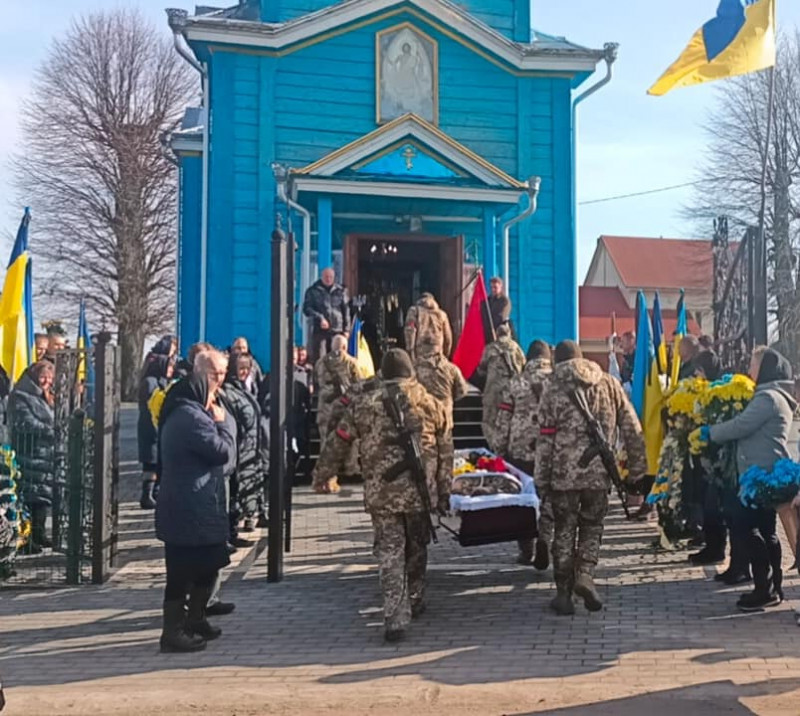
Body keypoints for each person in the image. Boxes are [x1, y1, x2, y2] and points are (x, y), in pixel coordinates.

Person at [312, 349, 453, 642]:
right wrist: (443, 491)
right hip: (420, 492)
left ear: (383, 374)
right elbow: (445, 451)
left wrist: (323, 474)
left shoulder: (364, 404)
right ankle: (414, 597)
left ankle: (395, 616)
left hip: (383, 494)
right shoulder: (430, 403)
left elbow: (338, 441)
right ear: (410, 372)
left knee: (390, 552)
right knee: (417, 547)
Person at [535, 341, 646, 615]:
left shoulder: (552, 389)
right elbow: (632, 429)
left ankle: (563, 593)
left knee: (563, 529)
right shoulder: (609, 384)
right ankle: (585, 573)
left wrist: (541, 480)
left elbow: (545, 440)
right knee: (592, 526)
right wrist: (637, 474)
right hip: (599, 474)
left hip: (562, 477)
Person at [155, 349, 236, 653]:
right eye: (215, 375)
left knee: (209, 564)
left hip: (199, 505)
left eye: (223, 374)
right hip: (187, 508)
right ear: (200, 374)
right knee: (180, 573)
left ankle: (196, 619)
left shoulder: (194, 407)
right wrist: (223, 423)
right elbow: (220, 451)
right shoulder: (189, 415)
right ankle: (172, 631)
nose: (220, 381)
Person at [704, 347, 796, 612]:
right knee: (765, 531)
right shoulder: (774, 395)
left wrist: (710, 432)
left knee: (745, 527)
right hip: (765, 473)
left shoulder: (767, 397)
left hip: (759, 477)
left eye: (753, 365)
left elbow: (741, 425)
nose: (749, 370)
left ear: (765, 368)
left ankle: (765, 588)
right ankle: (770, 587)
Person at [495, 340, 553, 569]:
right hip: (549, 451)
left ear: (528, 359)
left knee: (523, 500)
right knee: (548, 499)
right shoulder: (557, 382)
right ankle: (545, 540)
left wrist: (499, 451)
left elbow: (503, 421)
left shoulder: (516, 383)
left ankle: (526, 549)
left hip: (520, 452)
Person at [8, 361, 56, 553]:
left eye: (50, 379)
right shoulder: (21, 395)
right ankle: (25, 539)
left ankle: (39, 534)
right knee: (28, 496)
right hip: (28, 451)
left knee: (41, 495)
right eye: (44, 377)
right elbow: (25, 422)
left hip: (43, 453)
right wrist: (50, 430)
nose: (47, 382)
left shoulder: (44, 395)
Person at [222, 352, 264, 537]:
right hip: (241, 448)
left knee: (247, 486)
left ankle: (242, 521)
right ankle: (231, 532)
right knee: (236, 491)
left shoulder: (245, 389)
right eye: (241, 368)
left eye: (248, 368)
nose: (245, 372)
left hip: (251, 447)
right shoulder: (229, 392)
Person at [315, 334, 361, 492]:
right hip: (344, 408)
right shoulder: (351, 363)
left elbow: (317, 382)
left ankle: (325, 480)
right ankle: (351, 470)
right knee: (347, 441)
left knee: (326, 444)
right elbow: (358, 385)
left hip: (325, 409)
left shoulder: (321, 363)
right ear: (345, 347)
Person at [474, 325, 525, 453]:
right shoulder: (517, 348)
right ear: (509, 334)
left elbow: (481, 369)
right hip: (513, 390)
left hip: (493, 391)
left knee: (489, 421)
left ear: (497, 334)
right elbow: (524, 366)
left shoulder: (490, 348)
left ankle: (493, 449)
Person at [138, 355, 174, 510]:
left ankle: (154, 493)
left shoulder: (162, 381)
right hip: (150, 427)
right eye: (169, 367)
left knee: (157, 462)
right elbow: (152, 406)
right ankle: (147, 495)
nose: (171, 370)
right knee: (150, 463)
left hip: (158, 427)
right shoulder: (150, 382)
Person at [413, 348, 468, 434]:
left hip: (423, 421)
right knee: (446, 444)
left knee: (425, 445)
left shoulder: (414, 369)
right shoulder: (452, 369)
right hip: (445, 419)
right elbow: (462, 392)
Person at [303, 267, 350, 364]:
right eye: (326, 277)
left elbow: (346, 311)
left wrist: (346, 329)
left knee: (338, 359)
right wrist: (320, 318)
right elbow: (307, 309)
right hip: (320, 332)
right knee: (320, 359)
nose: (328, 279)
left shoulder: (340, 291)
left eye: (331, 277)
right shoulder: (313, 291)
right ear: (322, 277)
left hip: (337, 331)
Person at [404, 293, 453, 362]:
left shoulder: (414, 311)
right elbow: (448, 339)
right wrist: (445, 356)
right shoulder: (442, 315)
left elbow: (410, 332)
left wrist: (410, 354)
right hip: (437, 354)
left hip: (420, 354)